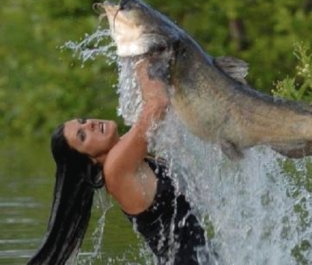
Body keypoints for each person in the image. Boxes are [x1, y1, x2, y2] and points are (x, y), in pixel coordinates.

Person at [27, 58, 213, 265]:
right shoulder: (116, 167)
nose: (89, 124)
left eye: (83, 121)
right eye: (82, 136)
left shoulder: (126, 152)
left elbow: (152, 108)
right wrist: (140, 52)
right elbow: (157, 104)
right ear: (89, 160)